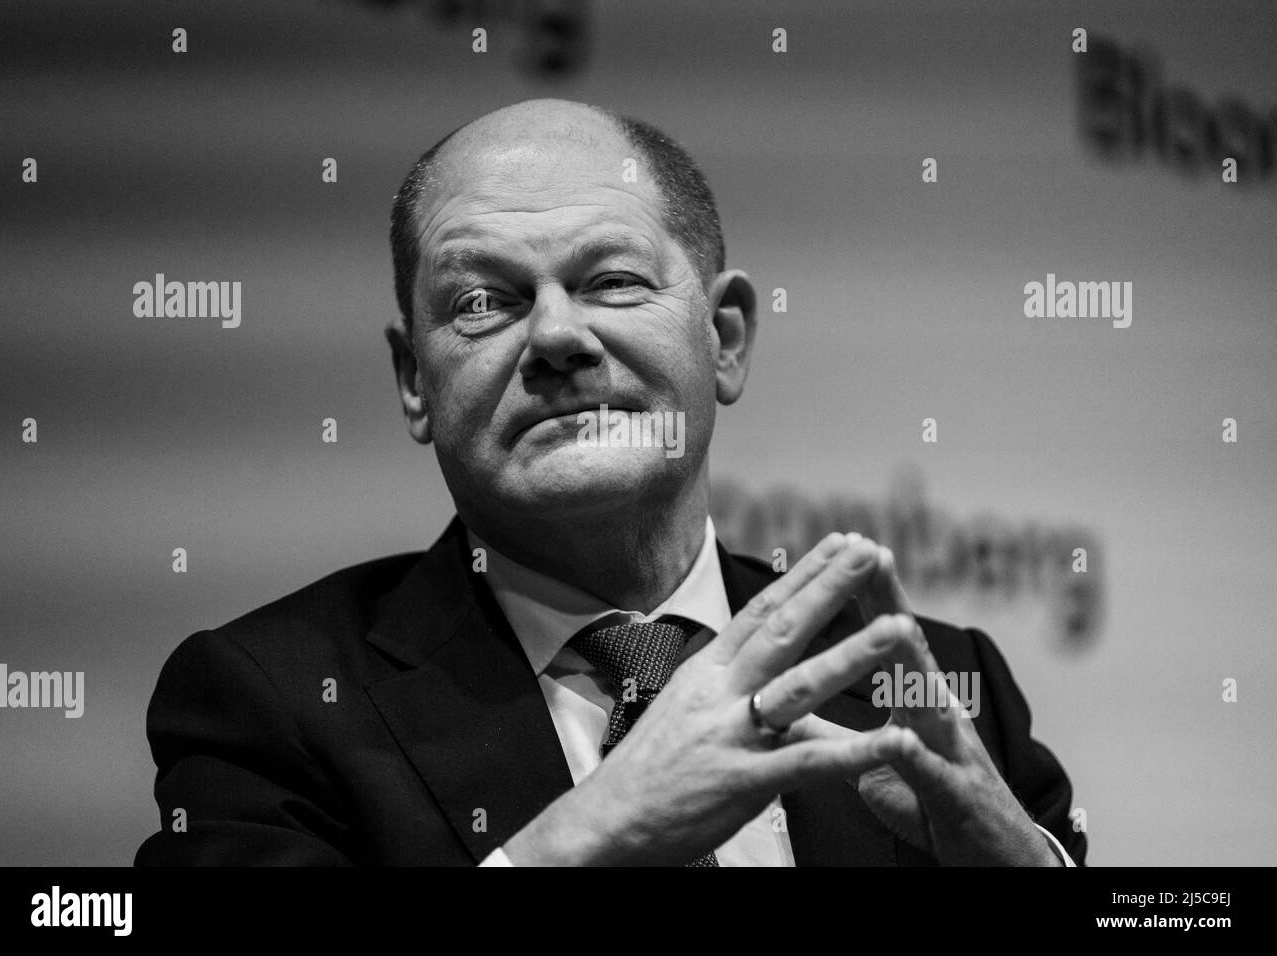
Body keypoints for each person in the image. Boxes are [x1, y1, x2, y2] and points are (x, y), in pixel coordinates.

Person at [136, 98, 1085, 866]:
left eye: (612, 280)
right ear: (413, 381)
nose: (555, 338)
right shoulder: (269, 704)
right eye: (481, 301)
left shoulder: (930, 687)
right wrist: (594, 839)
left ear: (724, 340)